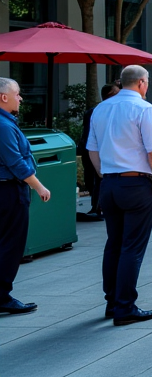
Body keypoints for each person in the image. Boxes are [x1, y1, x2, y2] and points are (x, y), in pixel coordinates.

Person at [86, 65, 152, 325]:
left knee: (114, 244)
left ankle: (112, 302)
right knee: (132, 246)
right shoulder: (145, 109)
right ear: (143, 83)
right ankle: (125, 307)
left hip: (109, 184)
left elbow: (92, 151)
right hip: (136, 184)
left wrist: (105, 175)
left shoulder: (101, 108)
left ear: (122, 82)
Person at [0, 77, 52, 315]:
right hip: (9, 191)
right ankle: (2, 296)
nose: (20, 98)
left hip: (7, 189)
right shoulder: (3, 125)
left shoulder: (6, 122)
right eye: (17, 93)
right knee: (11, 244)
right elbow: (16, 163)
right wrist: (39, 186)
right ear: (4, 97)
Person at [77, 84, 118, 221]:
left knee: (96, 180)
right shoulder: (99, 111)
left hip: (92, 150)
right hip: (94, 151)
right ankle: (98, 207)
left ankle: (98, 207)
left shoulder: (96, 111)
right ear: (110, 94)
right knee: (96, 180)